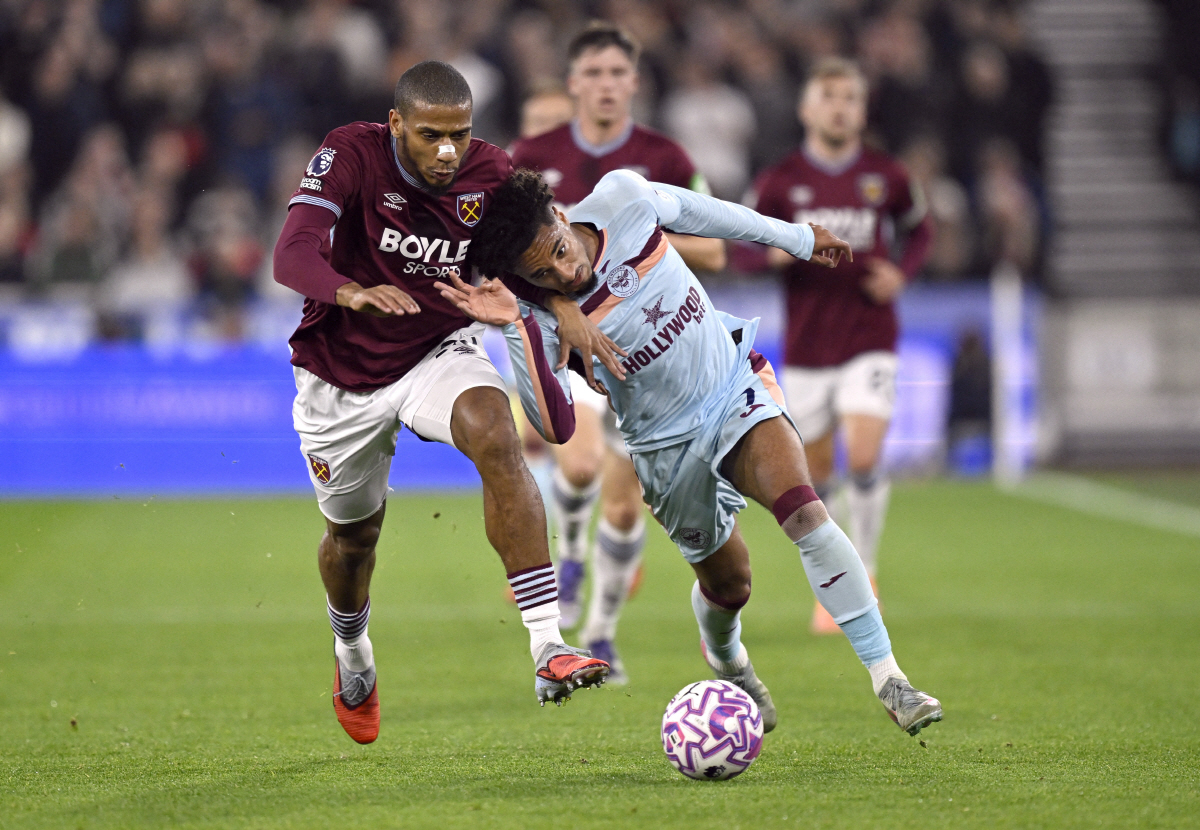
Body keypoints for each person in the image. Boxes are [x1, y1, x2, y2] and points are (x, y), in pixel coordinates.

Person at [436, 167, 944, 739]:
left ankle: (889, 678)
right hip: (663, 449)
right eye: (542, 272)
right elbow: (554, 426)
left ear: (559, 213)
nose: (564, 270)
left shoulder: (622, 199)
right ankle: (728, 659)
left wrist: (798, 239)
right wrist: (518, 327)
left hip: (731, 388)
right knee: (732, 585)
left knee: (804, 510)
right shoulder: (536, 316)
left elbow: (714, 215)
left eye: (559, 250)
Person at [271, 61, 625, 745]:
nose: (445, 151)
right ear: (397, 123)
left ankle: (548, 647)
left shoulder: (491, 175)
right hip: (339, 376)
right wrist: (350, 292)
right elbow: (290, 255)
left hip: (439, 347)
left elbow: (537, 256)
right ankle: (353, 653)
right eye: (431, 134)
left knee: (495, 432)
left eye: (458, 135)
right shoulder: (350, 153)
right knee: (353, 541)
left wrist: (560, 306)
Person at [509, 22, 726, 683]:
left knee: (627, 504)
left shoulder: (661, 157)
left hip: (647, 348)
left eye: (617, 74)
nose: (605, 85)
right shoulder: (531, 153)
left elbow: (715, 247)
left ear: (634, 82)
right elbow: (504, 260)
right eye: (593, 74)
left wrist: (629, 231)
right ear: (574, 83)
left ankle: (602, 632)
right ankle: (570, 549)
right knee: (575, 466)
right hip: (571, 346)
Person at [750, 58, 933, 633]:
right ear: (807, 109)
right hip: (807, 348)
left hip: (870, 336)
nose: (839, 106)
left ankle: (867, 572)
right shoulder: (781, 181)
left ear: (862, 108)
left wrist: (902, 273)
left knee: (866, 455)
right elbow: (747, 245)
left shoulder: (887, 175)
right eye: (828, 96)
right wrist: (779, 252)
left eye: (850, 97)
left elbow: (920, 229)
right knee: (818, 476)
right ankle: (836, 582)